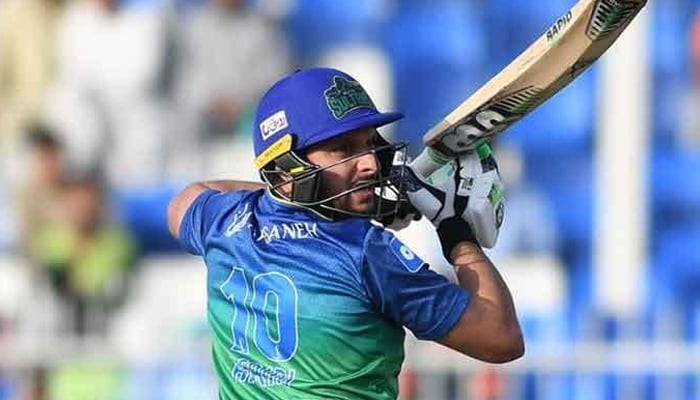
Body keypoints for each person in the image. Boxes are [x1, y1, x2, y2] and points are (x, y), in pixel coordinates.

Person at [167, 67, 523, 399]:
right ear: (287, 166)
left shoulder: (225, 221)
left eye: (369, 144)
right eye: (343, 149)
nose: (370, 163)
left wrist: (285, 197)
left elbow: (189, 197)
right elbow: (500, 337)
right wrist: (455, 233)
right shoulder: (367, 253)